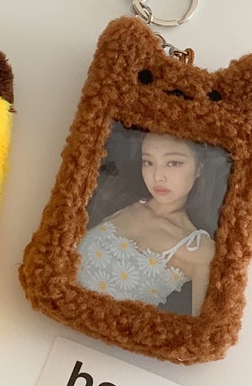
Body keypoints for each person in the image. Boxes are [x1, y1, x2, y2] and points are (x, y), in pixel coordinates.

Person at [76, 131, 228, 316]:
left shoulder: (199, 249)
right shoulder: (119, 201)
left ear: (198, 168)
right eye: (148, 162)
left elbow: (204, 330)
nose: (157, 176)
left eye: (173, 163)